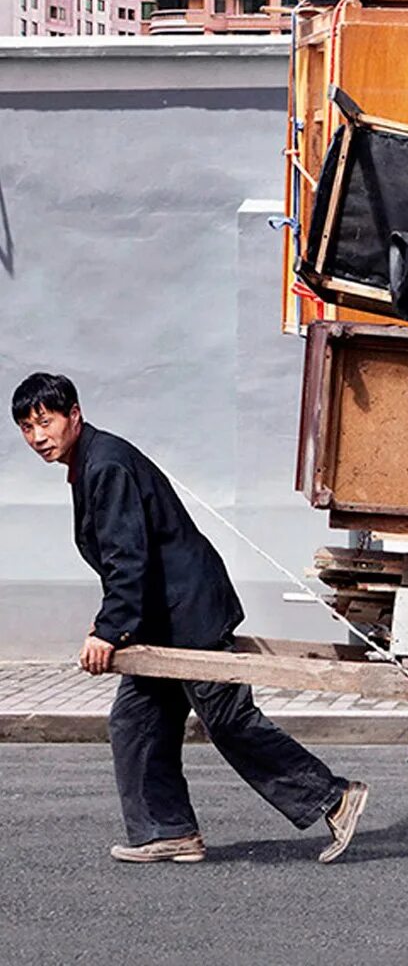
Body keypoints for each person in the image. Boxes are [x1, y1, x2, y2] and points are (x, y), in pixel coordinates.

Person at [13, 371, 369, 866]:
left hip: (189, 614)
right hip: (162, 620)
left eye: (45, 422)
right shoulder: (91, 462)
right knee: (135, 722)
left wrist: (108, 630)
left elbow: (127, 557)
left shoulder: (106, 465)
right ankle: (169, 830)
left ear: (75, 414)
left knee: (227, 719)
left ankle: (333, 798)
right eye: (27, 428)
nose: (38, 437)